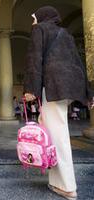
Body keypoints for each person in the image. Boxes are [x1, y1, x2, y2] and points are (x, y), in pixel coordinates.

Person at [24, 6, 93, 200]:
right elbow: (79, 64)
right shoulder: (66, 34)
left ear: (42, 17)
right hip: (68, 88)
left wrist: (31, 90)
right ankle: (56, 181)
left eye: (33, 18)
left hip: (53, 87)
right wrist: (88, 94)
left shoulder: (40, 30)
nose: (33, 22)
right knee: (50, 130)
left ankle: (67, 186)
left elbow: (34, 60)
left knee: (58, 135)